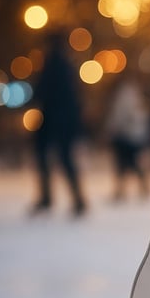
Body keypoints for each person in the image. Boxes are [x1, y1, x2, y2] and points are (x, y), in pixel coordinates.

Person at [31, 31, 87, 217]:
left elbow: (43, 90)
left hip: (56, 119)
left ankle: (63, 199)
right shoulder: (66, 64)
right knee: (63, 158)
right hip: (62, 120)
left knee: (57, 157)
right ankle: (76, 200)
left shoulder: (54, 63)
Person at [105, 71, 150, 201]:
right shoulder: (135, 94)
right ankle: (132, 188)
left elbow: (121, 115)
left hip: (126, 135)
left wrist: (114, 128)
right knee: (129, 163)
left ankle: (124, 190)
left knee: (126, 163)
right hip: (131, 135)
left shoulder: (126, 94)